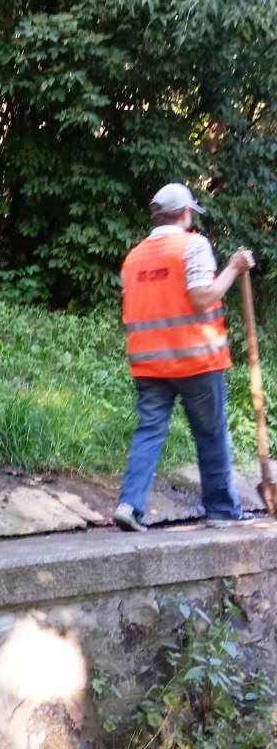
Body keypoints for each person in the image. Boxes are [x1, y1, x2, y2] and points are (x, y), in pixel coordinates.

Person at [114, 182, 255, 532]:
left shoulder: (134, 257)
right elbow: (202, 297)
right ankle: (221, 510)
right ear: (186, 213)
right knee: (210, 433)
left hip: (149, 363)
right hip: (196, 360)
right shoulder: (193, 245)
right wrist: (234, 267)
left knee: (149, 431)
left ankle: (129, 505)